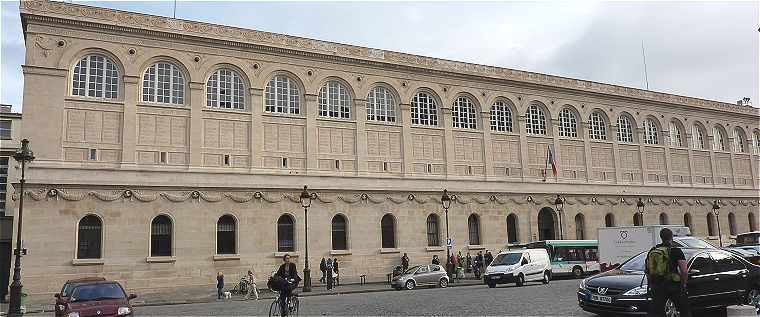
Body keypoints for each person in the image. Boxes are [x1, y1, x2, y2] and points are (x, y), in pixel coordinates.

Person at [646, 228, 691, 317]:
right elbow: (684, 271)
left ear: (661, 237)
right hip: (674, 285)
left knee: (658, 312)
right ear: (672, 237)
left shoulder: (653, 250)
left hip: (657, 285)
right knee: (684, 310)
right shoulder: (676, 250)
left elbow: (648, 270)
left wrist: (652, 283)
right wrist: (684, 284)